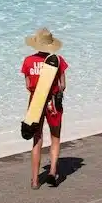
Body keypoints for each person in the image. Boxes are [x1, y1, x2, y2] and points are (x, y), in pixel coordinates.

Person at [21, 28, 68, 189]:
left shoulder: (28, 61)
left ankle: (34, 181)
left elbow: (28, 85)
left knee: (37, 139)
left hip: (36, 103)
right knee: (55, 137)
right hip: (53, 103)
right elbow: (63, 85)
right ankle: (52, 172)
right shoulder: (59, 60)